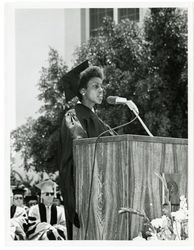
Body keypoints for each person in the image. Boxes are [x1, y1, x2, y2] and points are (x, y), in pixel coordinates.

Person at [59, 60, 115, 239]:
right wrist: (72, 203)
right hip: (82, 201)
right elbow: (75, 158)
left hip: (104, 199)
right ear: (83, 91)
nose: (101, 90)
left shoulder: (99, 121)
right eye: (95, 86)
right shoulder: (73, 116)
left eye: (102, 86)